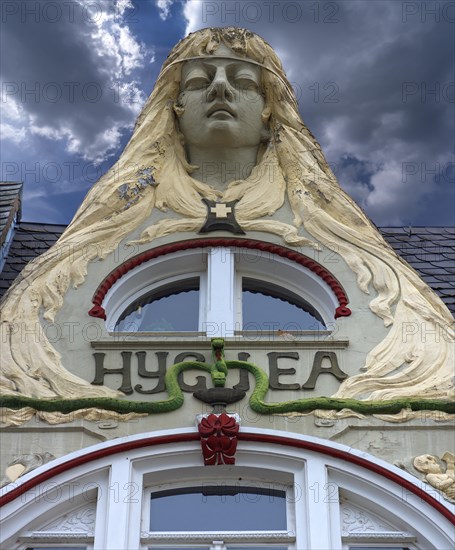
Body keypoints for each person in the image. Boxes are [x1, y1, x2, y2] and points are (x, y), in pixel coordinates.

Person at [0, 28, 453, 419]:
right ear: (173, 111)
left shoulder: (336, 235)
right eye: (199, 81)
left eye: (242, 81)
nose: (220, 89)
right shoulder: (110, 229)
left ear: (268, 114)